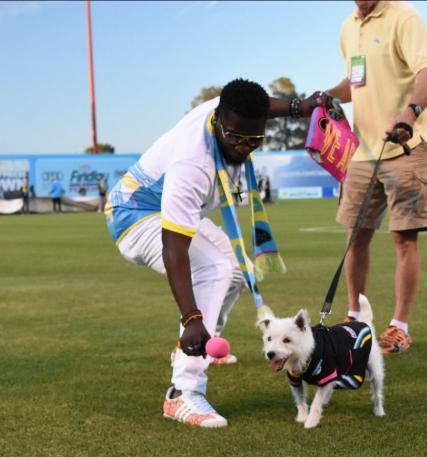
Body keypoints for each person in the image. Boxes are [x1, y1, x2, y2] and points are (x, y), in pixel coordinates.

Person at [104, 78, 318, 428]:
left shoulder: (229, 109)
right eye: (235, 138)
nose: (243, 148)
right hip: (134, 215)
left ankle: (197, 346)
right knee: (215, 269)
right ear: (218, 120)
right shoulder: (193, 163)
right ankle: (182, 392)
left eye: (254, 140)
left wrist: (299, 107)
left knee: (238, 269)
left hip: (160, 209)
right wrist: (190, 318)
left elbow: (265, 105)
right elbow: (175, 249)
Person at [320, 0, 427, 354]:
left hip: (406, 144)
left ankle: (399, 327)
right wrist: (326, 96)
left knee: (404, 239)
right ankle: (356, 320)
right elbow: (357, 81)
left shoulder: (404, 16)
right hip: (362, 151)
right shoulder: (348, 28)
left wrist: (410, 114)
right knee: (355, 237)